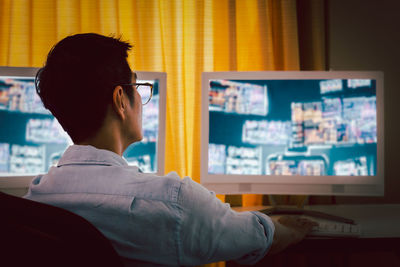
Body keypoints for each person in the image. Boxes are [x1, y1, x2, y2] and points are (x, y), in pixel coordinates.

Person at [24, 33, 316, 266]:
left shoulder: (31, 203)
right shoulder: (172, 202)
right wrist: (291, 228)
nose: (141, 99)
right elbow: (256, 237)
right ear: (120, 100)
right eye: (137, 88)